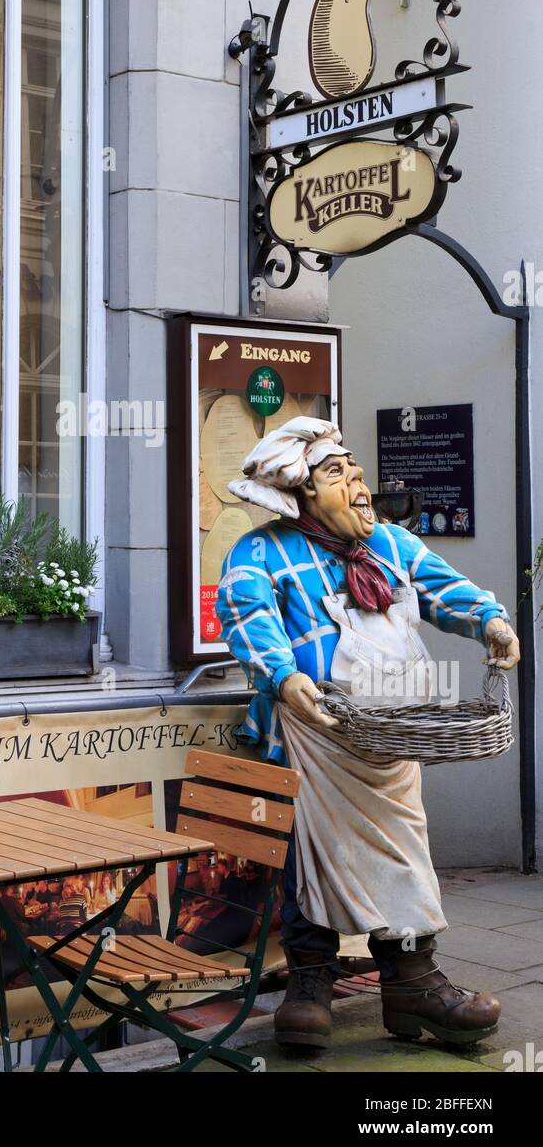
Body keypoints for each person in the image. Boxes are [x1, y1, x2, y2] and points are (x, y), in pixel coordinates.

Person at [216, 416, 520, 1051]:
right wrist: (281, 674)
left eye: (356, 472)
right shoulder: (261, 551)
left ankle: (414, 985)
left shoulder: (390, 543)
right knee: (310, 863)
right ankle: (309, 985)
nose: (358, 485)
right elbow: (244, 610)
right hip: (312, 739)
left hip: (389, 741)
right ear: (301, 493)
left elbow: (444, 589)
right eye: (338, 474)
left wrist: (488, 620)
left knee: (403, 854)